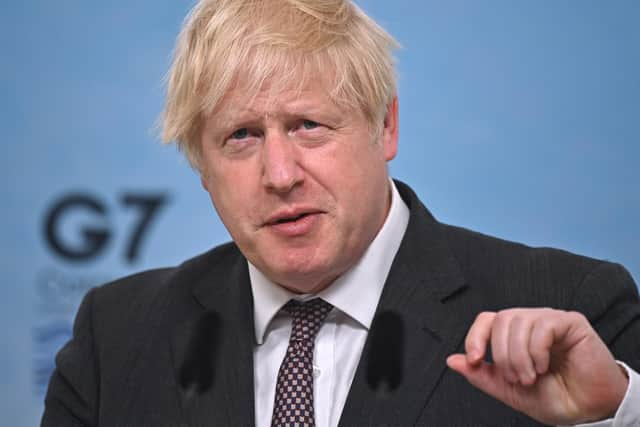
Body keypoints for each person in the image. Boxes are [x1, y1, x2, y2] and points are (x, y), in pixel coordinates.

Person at [42, 0, 640, 426]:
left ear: (386, 126)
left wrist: (612, 414)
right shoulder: (116, 335)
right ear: (202, 168)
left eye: (308, 125)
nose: (280, 174)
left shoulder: (571, 305)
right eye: (242, 136)